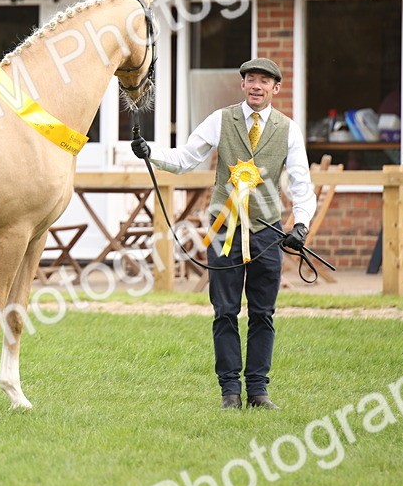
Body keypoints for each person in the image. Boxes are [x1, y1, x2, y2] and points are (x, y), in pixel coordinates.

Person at [131, 58, 316, 411]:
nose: (257, 86)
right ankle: (229, 392)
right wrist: (150, 152)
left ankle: (259, 391)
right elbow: (186, 158)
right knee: (225, 312)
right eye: (251, 80)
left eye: (264, 81)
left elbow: (301, 184)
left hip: (266, 233)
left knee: (263, 313)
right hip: (222, 231)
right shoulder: (221, 119)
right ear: (242, 85)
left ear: (276, 88)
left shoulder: (289, 129)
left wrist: (301, 224)